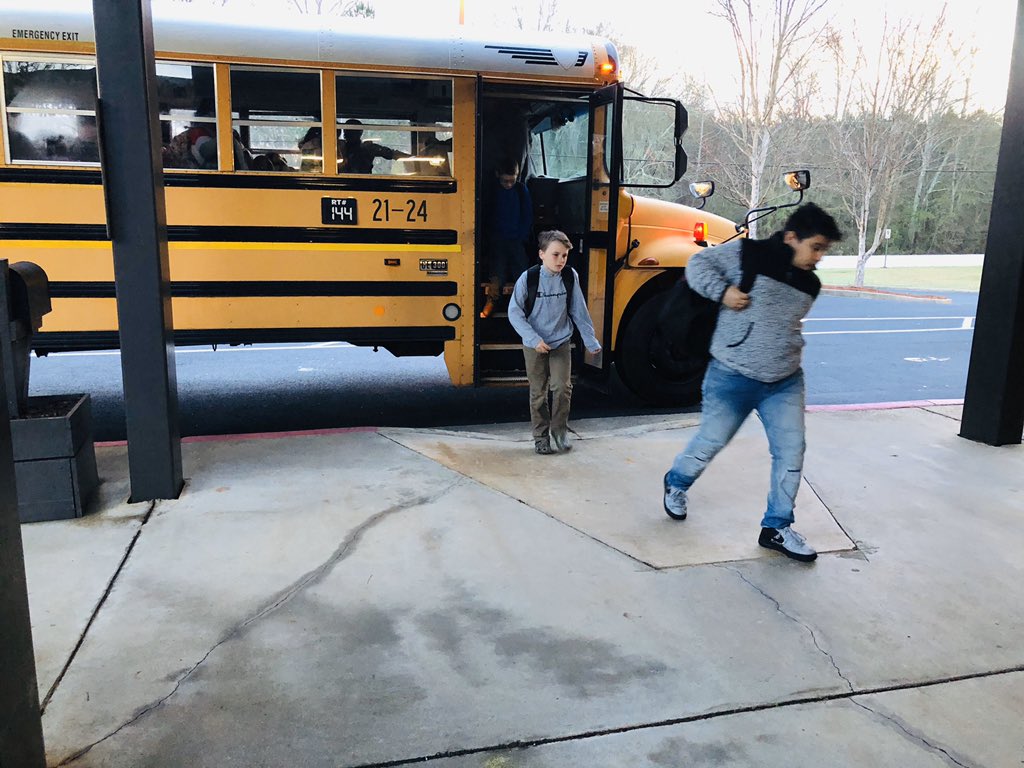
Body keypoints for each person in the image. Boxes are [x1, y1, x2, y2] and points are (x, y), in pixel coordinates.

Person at [662, 203, 843, 562]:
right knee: (711, 441)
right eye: (816, 247)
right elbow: (698, 264)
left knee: (791, 451)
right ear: (791, 238)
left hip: (785, 380)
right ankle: (676, 482)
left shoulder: (811, 285)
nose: (819, 257)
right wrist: (723, 292)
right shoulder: (748, 254)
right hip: (731, 374)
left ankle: (776, 527)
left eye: (824, 250)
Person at [508, 229, 602, 455]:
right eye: (555, 255)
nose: (561, 260)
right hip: (535, 344)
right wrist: (533, 339)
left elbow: (578, 310)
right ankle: (541, 437)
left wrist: (590, 339)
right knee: (538, 392)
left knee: (562, 387)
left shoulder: (569, 276)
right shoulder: (528, 278)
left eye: (564, 255)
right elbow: (514, 313)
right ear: (542, 254)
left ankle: (559, 431)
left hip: (560, 341)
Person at [480, 157, 533, 319]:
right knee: (497, 274)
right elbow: (486, 214)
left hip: (516, 240)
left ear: (517, 176)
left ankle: (526, 306)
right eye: (505, 181)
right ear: (497, 175)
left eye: (512, 181)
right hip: (497, 240)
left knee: (522, 273)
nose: (509, 184)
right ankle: (492, 302)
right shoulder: (492, 191)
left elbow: (527, 215)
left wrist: (522, 235)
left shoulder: (521, 190)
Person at [337, 118, 408, 174]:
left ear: (360, 132)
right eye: (345, 131)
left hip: (362, 182)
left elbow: (391, 154)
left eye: (351, 131)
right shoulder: (339, 147)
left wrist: (411, 157)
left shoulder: (368, 148)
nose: (346, 134)